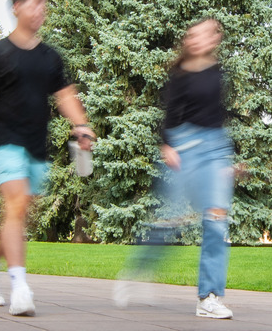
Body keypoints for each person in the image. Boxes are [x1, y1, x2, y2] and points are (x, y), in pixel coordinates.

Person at [0, 0, 97, 317]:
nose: (41, 10)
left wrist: (81, 125)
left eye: (44, 6)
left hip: (35, 147)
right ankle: (20, 287)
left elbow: (65, 96)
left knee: (18, 213)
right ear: (16, 9)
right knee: (17, 203)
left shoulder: (50, 57)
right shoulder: (0, 53)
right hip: (4, 142)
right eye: (35, 5)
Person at [113, 18, 237, 319]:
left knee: (216, 219)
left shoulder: (219, 72)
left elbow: (221, 115)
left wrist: (227, 159)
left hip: (216, 147)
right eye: (191, 35)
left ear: (215, 39)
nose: (196, 39)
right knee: (172, 219)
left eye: (203, 34)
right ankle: (137, 271)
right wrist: (167, 145)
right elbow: (169, 114)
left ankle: (209, 297)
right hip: (185, 146)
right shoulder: (179, 74)